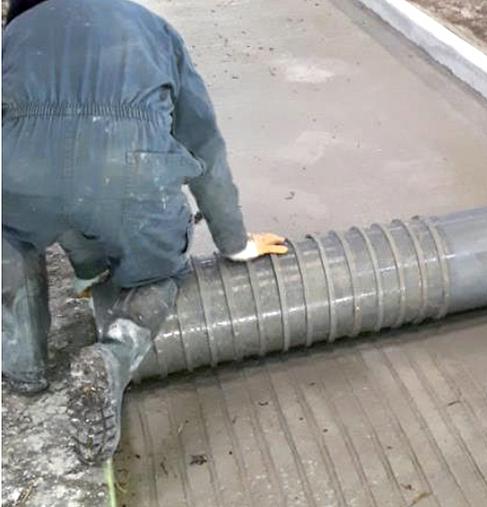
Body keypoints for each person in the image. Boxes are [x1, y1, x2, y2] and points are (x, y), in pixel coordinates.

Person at [2, 0, 288, 464]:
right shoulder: (155, 29)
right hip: (131, 179)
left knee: (11, 235)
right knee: (161, 273)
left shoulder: (16, 32)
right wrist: (234, 242)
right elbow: (204, 144)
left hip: (22, 178)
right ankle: (112, 358)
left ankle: (23, 367)